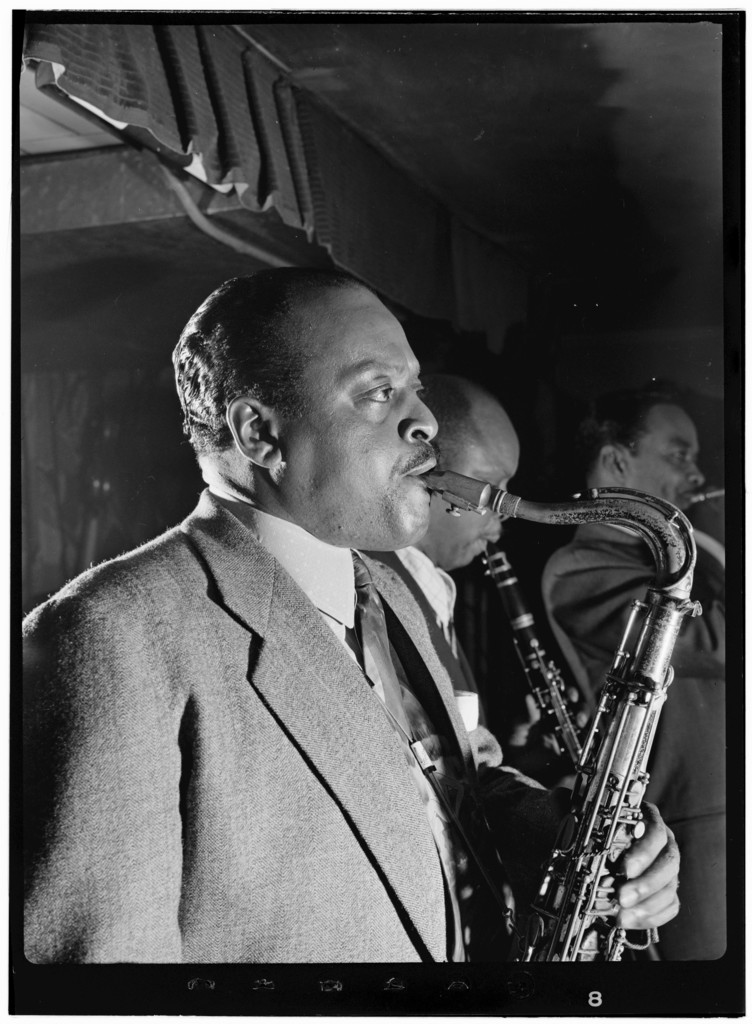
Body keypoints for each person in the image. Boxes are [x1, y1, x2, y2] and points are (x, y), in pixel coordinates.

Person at [23, 269, 680, 964]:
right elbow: (103, 983)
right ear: (261, 433)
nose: (425, 420)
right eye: (378, 392)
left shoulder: (392, 591)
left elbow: (449, 784)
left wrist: (560, 832)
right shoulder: (110, 634)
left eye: (415, 386)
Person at [542, 385, 725, 960]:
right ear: (617, 461)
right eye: (679, 455)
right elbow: (718, 642)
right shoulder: (579, 566)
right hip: (698, 834)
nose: (696, 476)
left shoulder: (695, 559)